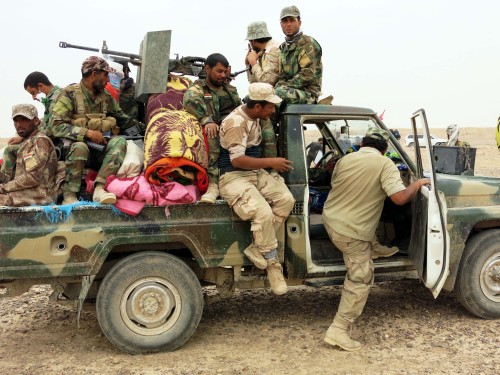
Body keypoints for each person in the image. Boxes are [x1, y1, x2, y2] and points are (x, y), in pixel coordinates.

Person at [321, 127, 430, 351]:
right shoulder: (384, 164)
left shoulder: (346, 159)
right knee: (361, 279)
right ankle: (339, 330)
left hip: (331, 219)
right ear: (384, 149)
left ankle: (375, 247)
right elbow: (399, 198)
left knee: (370, 217)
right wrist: (417, 184)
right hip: (351, 233)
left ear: (362, 145)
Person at [218, 82, 295, 295]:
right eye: (270, 106)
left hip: (254, 174)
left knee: (286, 200)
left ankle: (257, 246)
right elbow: (237, 161)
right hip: (234, 177)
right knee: (263, 212)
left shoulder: (255, 118)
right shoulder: (236, 122)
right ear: (258, 106)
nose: (273, 110)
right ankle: (272, 265)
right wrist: (271, 163)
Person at [50, 56, 145, 205]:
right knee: (80, 147)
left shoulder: (105, 97)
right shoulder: (69, 94)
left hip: (99, 150)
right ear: (94, 74)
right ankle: (69, 196)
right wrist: (87, 133)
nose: (108, 80)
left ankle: (100, 188)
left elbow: (122, 118)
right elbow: (56, 126)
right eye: (105, 74)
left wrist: (149, 128)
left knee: (119, 141)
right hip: (75, 150)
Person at [183, 53, 241, 203]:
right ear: (207, 69)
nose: (223, 75)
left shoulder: (229, 90)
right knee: (212, 132)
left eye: (225, 72)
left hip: (231, 128)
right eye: (219, 71)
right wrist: (206, 120)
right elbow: (190, 101)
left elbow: (239, 108)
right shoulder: (199, 88)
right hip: (211, 129)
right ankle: (213, 183)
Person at [0, 104, 60, 206]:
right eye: (16, 120)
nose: (19, 124)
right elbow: (17, 177)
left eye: (24, 119)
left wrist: (4, 188)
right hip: (26, 191)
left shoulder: (40, 141)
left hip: (41, 194)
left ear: (36, 121)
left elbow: (33, 177)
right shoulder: (27, 143)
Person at [275, 5, 323, 106]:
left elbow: (307, 74)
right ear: (280, 24)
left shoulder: (308, 43)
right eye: (285, 21)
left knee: (276, 95)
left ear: (299, 22)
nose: (288, 24)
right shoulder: (284, 47)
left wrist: (282, 88)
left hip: (308, 94)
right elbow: (282, 76)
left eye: (292, 20)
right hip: (289, 91)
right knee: (255, 98)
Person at [245, 21, 281, 86]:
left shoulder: (272, 50)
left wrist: (254, 63)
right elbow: (254, 83)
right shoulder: (263, 52)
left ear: (252, 41)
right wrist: (248, 64)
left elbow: (268, 83)